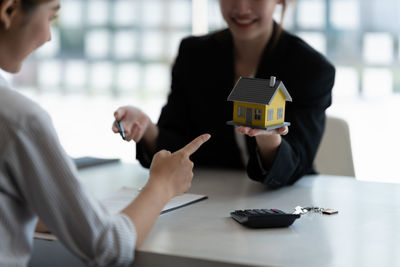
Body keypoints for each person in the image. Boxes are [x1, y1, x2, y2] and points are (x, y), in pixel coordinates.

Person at [0, 0, 210, 266]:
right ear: (8, 11)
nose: (48, 36)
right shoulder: (19, 120)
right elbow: (108, 248)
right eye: (51, 16)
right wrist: (162, 185)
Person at [113, 0, 335, 188]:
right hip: (207, 199)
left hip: (284, 205)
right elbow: (177, 143)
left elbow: (298, 162)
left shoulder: (311, 68)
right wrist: (146, 129)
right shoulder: (194, 55)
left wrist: (268, 138)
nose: (241, 7)